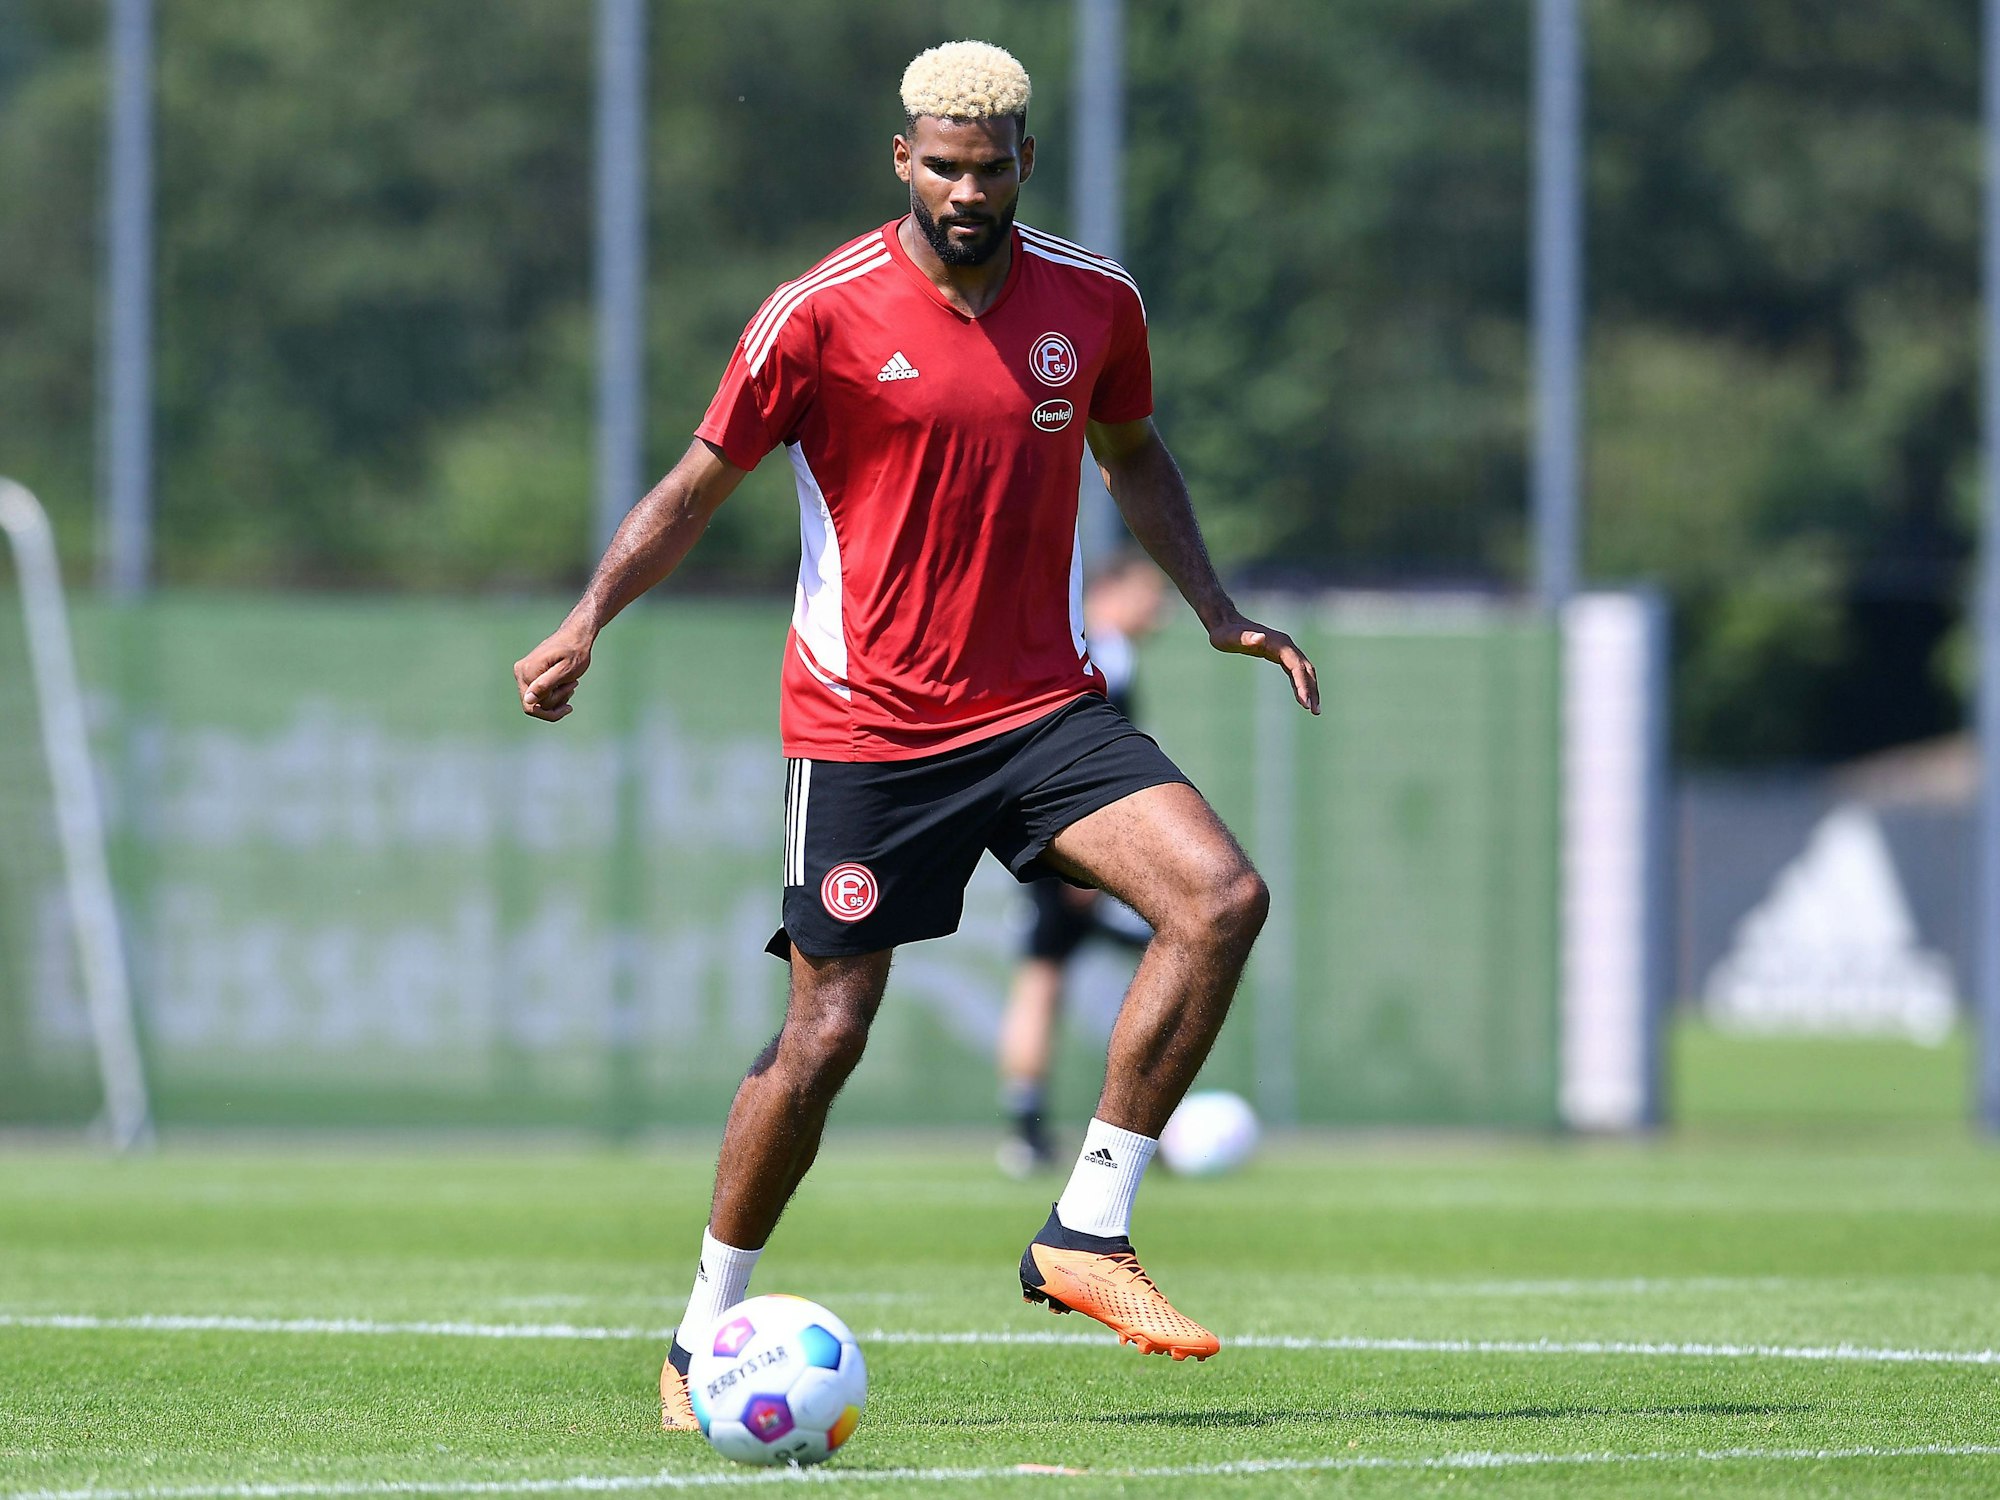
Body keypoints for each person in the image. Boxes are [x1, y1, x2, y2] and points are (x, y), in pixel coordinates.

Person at [511, 40, 1318, 1430]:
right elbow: (698, 487)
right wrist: (590, 617)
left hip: (1048, 708)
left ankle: (1087, 1231)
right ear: (905, 159)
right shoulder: (815, 315)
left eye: (988, 168)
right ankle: (705, 1323)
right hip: (869, 726)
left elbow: (1134, 452)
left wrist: (1216, 609)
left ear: (1024, 166)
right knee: (826, 1034)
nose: (964, 188)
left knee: (1221, 896)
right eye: (941, 165)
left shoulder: (1093, 301)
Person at [996, 552, 1166, 1178]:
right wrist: (1086, 864)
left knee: (1042, 975)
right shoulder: (1105, 653)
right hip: (1078, 845)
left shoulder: (1069, 642)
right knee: (1181, 948)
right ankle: (1133, 1127)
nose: (1161, 610)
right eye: (1152, 594)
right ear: (1115, 592)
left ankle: (1028, 1129)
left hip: (1047, 838)